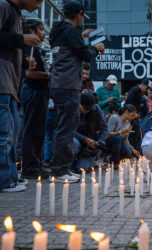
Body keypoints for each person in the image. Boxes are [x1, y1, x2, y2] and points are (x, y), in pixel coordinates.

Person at [49, 0, 104, 183]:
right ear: (79, 14)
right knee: (66, 128)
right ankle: (59, 170)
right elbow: (85, 54)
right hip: (68, 85)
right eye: (82, 16)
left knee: (63, 127)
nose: (82, 19)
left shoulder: (59, 30)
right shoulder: (71, 31)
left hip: (59, 84)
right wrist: (96, 48)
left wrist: (82, 37)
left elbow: (71, 48)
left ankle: (59, 168)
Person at [0, 0, 42, 192]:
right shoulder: (3, 6)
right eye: (38, 0)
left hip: (11, 85)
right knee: (4, 136)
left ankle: (10, 177)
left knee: (13, 135)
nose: (39, 5)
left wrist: (25, 62)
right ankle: (4, 181)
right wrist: (22, 40)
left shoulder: (17, 14)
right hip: (2, 83)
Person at [20, 19, 50, 179]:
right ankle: (30, 168)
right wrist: (50, 76)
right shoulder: (29, 47)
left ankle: (37, 165)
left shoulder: (36, 49)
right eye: (40, 29)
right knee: (32, 131)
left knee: (39, 132)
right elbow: (30, 73)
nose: (43, 32)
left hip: (40, 92)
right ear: (31, 31)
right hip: (33, 91)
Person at [73, 93, 108, 172]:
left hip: (90, 144)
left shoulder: (96, 109)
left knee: (82, 169)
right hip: (76, 139)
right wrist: (85, 139)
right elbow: (69, 130)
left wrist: (98, 142)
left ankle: (88, 160)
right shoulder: (72, 109)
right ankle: (69, 164)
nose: (87, 111)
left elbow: (105, 128)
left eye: (89, 109)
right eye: (85, 108)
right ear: (79, 104)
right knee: (74, 143)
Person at [126, 79, 152, 150]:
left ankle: (133, 152)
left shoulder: (140, 93)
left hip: (135, 117)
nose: (147, 90)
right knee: (131, 135)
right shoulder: (135, 90)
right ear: (143, 85)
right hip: (130, 117)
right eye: (147, 88)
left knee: (136, 136)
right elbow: (128, 102)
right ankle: (130, 152)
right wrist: (134, 113)